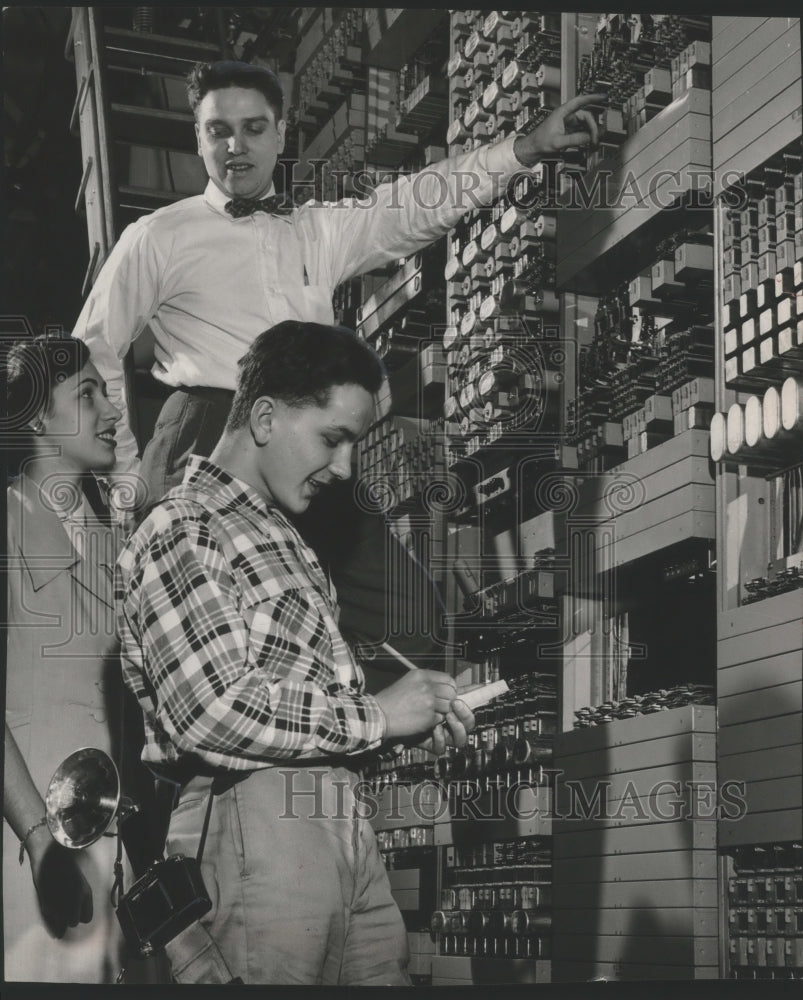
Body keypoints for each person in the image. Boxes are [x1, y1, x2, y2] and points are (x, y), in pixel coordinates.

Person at [73, 60, 602, 666]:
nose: (235, 146)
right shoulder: (157, 236)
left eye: (252, 128)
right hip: (210, 435)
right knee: (210, 639)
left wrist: (525, 148)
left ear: (280, 133)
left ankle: (324, 717)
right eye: (218, 130)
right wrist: (124, 486)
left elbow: (412, 207)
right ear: (198, 136)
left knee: (409, 621)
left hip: (309, 441)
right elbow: (91, 351)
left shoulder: (316, 231)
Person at [116, 322, 476, 984]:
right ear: (263, 416)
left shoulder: (283, 539)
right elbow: (213, 712)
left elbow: (296, 703)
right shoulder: (184, 526)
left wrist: (405, 725)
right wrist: (378, 716)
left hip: (338, 824)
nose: (343, 468)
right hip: (255, 823)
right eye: (332, 439)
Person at [3, 335, 125, 982]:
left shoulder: (114, 543)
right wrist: (38, 839)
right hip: (29, 856)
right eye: (87, 394)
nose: (111, 411)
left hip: (105, 855)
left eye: (106, 391)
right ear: (35, 420)